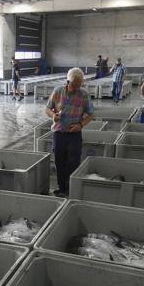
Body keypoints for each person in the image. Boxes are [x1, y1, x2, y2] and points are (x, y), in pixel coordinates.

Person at [45, 67, 95, 197]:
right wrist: (53, 116)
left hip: (74, 135)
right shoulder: (58, 92)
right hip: (59, 133)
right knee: (59, 162)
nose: (76, 88)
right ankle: (61, 189)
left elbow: (90, 114)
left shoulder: (83, 95)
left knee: (73, 163)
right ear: (68, 81)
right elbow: (47, 109)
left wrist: (80, 125)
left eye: (79, 85)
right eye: (74, 85)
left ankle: (70, 190)